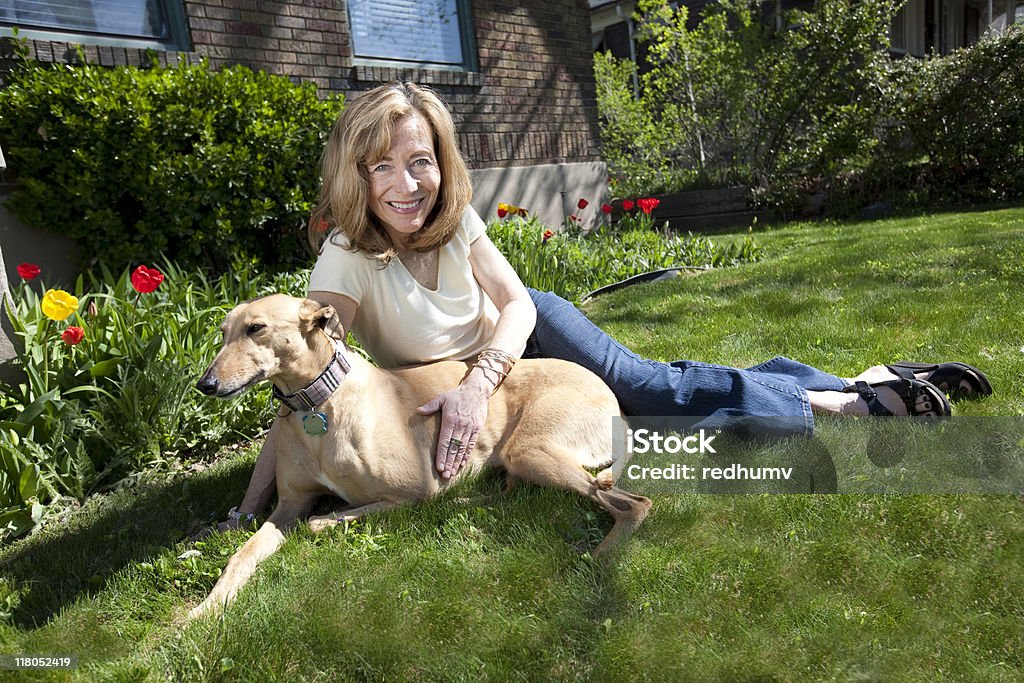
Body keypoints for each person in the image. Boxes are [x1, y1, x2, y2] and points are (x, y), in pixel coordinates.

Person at [209, 82, 992, 531]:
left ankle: (845, 402)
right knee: (652, 428)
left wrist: (479, 384)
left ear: (442, 165)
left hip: (526, 337)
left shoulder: (457, 222)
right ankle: (843, 382)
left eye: (422, 162)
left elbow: (514, 304)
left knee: (655, 393)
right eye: (385, 166)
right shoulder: (343, 261)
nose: (408, 185)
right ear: (358, 173)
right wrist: (260, 502)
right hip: (487, 383)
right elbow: (310, 382)